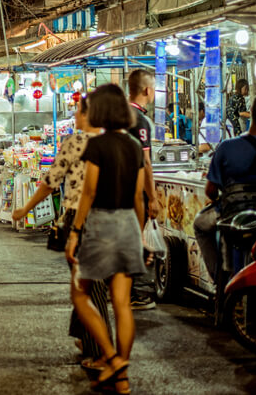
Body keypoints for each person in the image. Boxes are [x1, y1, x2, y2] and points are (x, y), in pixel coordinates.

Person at [13, 95, 109, 364]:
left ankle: (101, 351)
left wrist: (25, 208)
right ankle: (85, 337)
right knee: (91, 284)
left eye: (78, 111)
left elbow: (50, 182)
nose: (75, 115)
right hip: (112, 219)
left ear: (89, 115)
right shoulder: (114, 142)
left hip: (82, 218)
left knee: (89, 288)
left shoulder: (76, 143)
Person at [65, 84, 146, 394]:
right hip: (127, 222)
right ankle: (121, 377)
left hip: (100, 224)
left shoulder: (96, 146)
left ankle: (112, 357)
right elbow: (138, 196)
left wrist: (75, 231)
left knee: (80, 294)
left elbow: (89, 191)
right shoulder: (134, 147)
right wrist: (139, 233)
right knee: (122, 304)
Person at [195, 93, 256, 287]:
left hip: (230, 216)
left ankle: (218, 275)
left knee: (200, 224)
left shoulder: (226, 147)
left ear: (250, 113)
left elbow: (210, 191)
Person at [125, 69, 160, 311]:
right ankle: (135, 293)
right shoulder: (140, 121)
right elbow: (146, 162)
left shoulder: (116, 115)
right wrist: (154, 198)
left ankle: (117, 288)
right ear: (147, 90)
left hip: (113, 190)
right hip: (132, 191)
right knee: (135, 239)